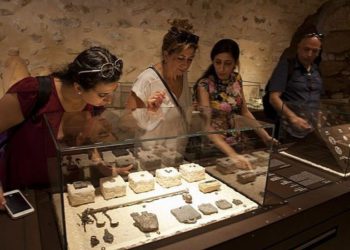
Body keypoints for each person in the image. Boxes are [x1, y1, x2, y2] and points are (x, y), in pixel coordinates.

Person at [0, 46, 124, 208]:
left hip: (60, 188)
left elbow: (87, 139)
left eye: (112, 92)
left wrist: (100, 165)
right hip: (22, 188)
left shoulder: (91, 102)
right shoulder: (34, 92)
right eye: (103, 95)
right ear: (78, 87)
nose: (109, 100)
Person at [194, 39, 276, 169]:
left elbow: (245, 112)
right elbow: (206, 126)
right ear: (213, 61)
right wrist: (232, 155)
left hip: (236, 142)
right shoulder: (204, 84)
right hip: (215, 146)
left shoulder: (236, 79)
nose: (221, 68)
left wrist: (266, 137)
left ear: (235, 63)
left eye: (227, 63)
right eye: (218, 62)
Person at [125, 19, 199, 151]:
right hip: (149, 154)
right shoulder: (147, 79)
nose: (185, 65)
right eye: (180, 58)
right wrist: (148, 112)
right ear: (166, 55)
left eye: (190, 59)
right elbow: (126, 121)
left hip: (176, 152)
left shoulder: (183, 75)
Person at [265, 25, 323, 142]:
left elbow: (319, 98)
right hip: (289, 130)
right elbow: (274, 98)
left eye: (314, 51)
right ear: (299, 47)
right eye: (306, 49)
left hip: (312, 129)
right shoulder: (286, 66)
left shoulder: (316, 70)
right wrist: (293, 117)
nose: (310, 54)